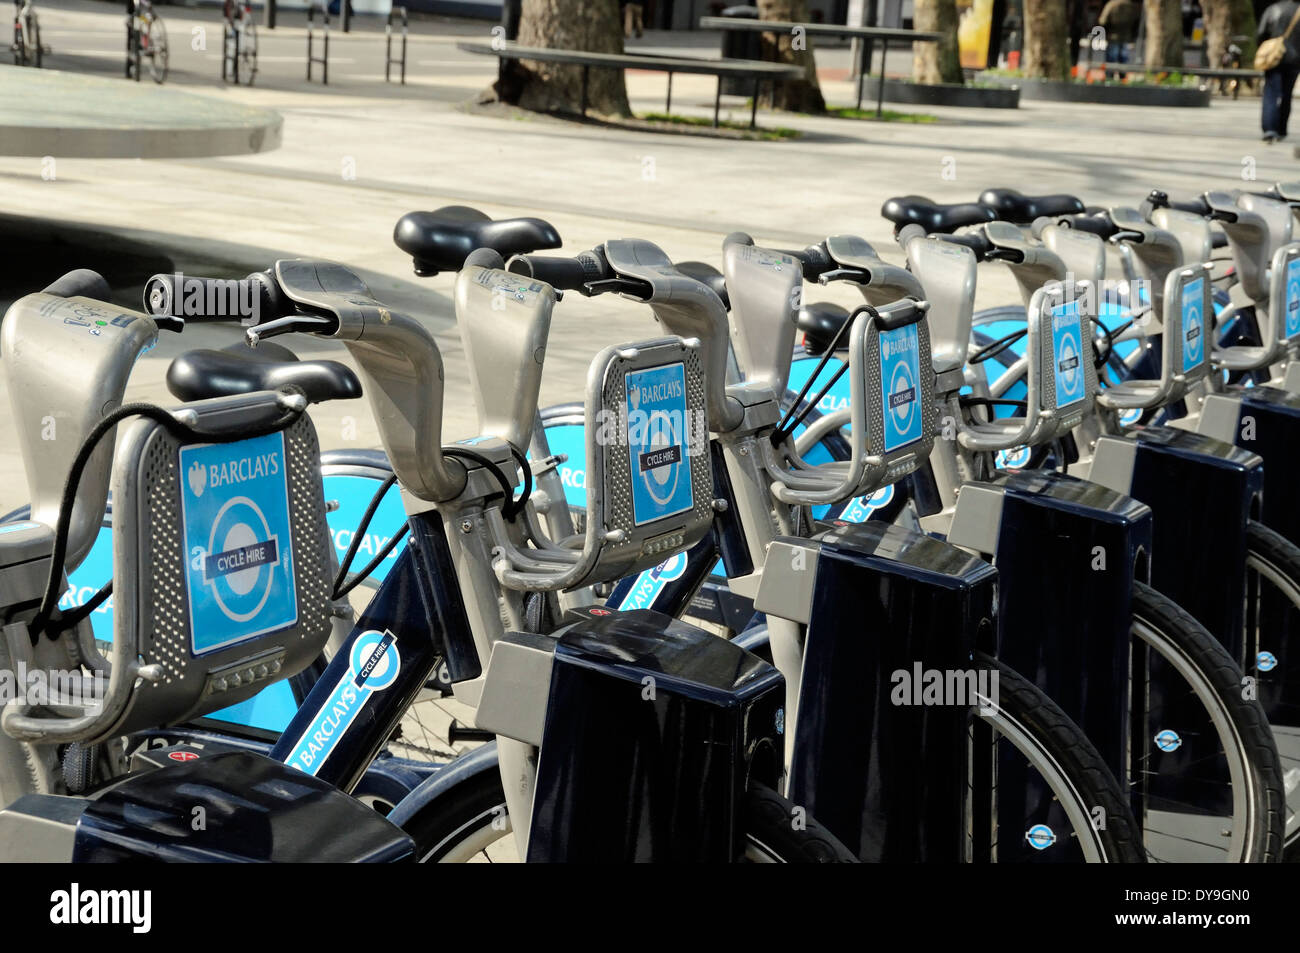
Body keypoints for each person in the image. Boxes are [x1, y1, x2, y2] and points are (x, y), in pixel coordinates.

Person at [1258, 0, 1300, 143]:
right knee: (1287, 95)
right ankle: (1282, 129)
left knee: (1271, 92)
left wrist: (1264, 48)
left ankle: (1269, 129)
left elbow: (1261, 32)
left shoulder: (1273, 8)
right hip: (1295, 59)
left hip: (1274, 57)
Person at [1098, 0, 1139, 71]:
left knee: (1111, 60)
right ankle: (1122, 77)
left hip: (1113, 36)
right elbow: (1136, 21)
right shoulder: (1131, 5)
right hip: (1126, 36)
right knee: (1123, 59)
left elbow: (1103, 21)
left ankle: (1109, 78)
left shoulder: (1111, 4)